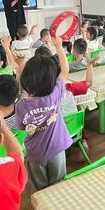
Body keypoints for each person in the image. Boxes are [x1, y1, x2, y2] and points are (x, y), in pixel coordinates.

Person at [16, 36, 71, 191]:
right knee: (59, 185)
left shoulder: (21, 106)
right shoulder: (54, 95)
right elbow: (65, 71)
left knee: (39, 189)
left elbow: (21, 127)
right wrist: (59, 47)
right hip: (57, 148)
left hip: (35, 154)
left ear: (26, 81)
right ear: (52, 80)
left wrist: (20, 67)